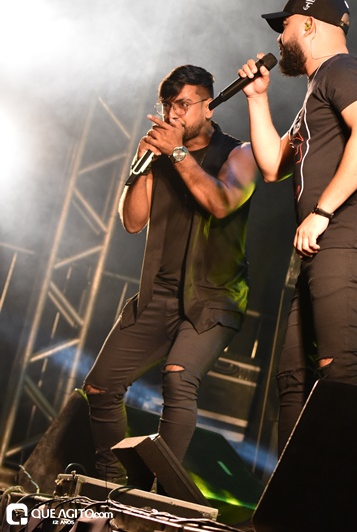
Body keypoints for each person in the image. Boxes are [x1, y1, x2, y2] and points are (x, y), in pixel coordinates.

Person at [239, 0, 357, 452]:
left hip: (354, 234)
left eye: (286, 26)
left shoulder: (346, 70)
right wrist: (257, 98)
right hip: (330, 244)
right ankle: (296, 492)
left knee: (341, 368)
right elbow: (271, 166)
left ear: (310, 25)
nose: (279, 37)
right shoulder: (315, 95)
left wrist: (321, 211)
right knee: (294, 377)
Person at [83, 64, 258, 482]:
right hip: (158, 294)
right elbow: (132, 222)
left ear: (208, 106)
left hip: (213, 298)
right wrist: (143, 165)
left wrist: (178, 154)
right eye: (167, 105)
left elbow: (221, 203)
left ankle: (157, 492)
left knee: (178, 380)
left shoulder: (240, 153)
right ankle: (113, 485)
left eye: (182, 104)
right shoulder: (158, 155)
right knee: (100, 387)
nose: (173, 114)